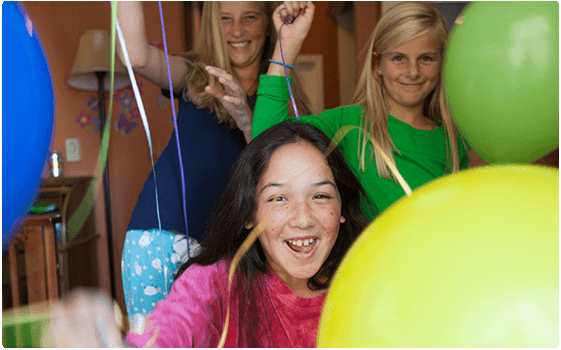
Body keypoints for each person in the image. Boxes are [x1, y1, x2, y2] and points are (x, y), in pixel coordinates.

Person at [43, 122, 373, 348]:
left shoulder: (368, 284)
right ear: (248, 213)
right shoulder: (214, 284)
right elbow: (169, 334)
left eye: (320, 196)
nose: (302, 219)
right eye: (278, 198)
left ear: (342, 207)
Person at [118, 1, 311, 331]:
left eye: (249, 17)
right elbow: (135, 55)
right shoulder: (197, 74)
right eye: (225, 19)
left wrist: (248, 122)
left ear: (268, 25)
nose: (237, 30)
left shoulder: (282, 99)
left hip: (232, 254)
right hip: (163, 237)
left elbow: (290, 174)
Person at [208, 1, 476, 218]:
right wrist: (286, 46)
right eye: (398, 58)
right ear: (377, 64)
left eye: (426, 59)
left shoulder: (454, 141)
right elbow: (266, 137)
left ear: (442, 63)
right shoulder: (349, 124)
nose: (413, 71)